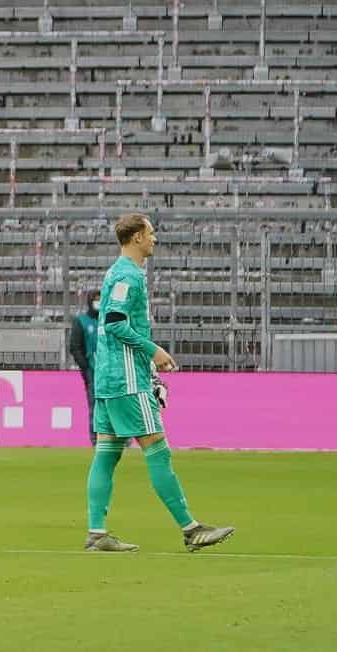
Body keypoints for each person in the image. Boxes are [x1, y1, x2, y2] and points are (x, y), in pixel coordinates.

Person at [84, 214, 235, 553]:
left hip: (109, 378)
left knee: (106, 454)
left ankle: (97, 533)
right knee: (157, 449)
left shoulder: (116, 272)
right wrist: (154, 353)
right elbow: (116, 323)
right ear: (137, 237)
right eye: (151, 233)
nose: (155, 239)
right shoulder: (127, 274)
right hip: (126, 380)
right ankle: (190, 528)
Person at [66, 291, 101, 440]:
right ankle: (95, 440)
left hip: (113, 372)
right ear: (90, 302)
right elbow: (75, 347)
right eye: (95, 300)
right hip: (93, 371)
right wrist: (85, 367)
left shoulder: (110, 321)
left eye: (101, 299)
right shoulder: (81, 321)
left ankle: (123, 441)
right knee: (94, 407)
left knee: (117, 407)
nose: (98, 302)